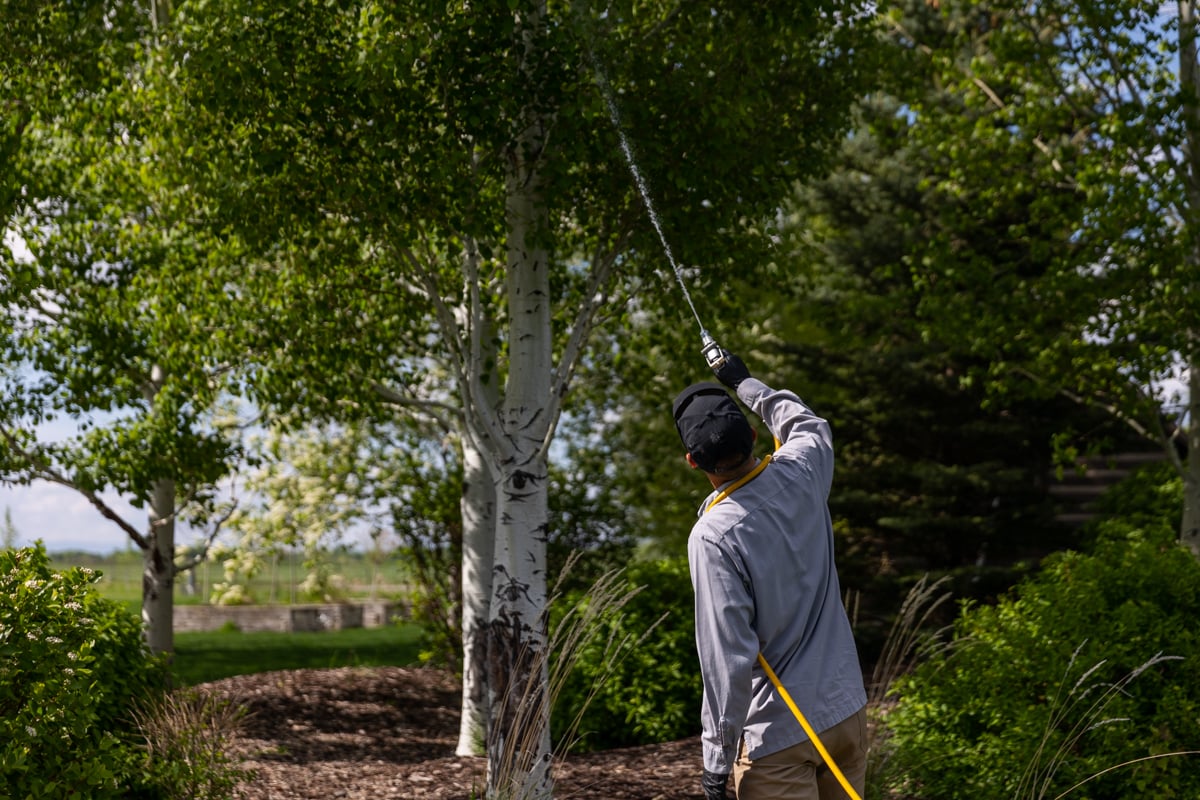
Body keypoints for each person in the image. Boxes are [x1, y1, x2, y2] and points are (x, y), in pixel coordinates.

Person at [672, 350, 867, 800]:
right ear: (755, 434)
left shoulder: (712, 536)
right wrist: (744, 383)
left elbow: (726, 657)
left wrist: (716, 764)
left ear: (692, 461)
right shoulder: (803, 470)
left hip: (779, 737)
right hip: (846, 713)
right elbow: (805, 422)